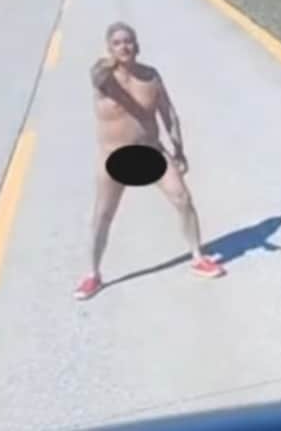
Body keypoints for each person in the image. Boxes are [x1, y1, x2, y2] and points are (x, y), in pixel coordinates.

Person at [74, 21, 225, 300]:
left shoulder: (151, 76)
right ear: (109, 48)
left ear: (137, 45)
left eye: (128, 41)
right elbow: (96, 75)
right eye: (117, 42)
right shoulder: (104, 78)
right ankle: (92, 275)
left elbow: (169, 114)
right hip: (114, 157)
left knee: (183, 199)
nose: (124, 46)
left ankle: (198, 257)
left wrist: (178, 149)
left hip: (150, 151)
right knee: (103, 215)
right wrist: (109, 63)